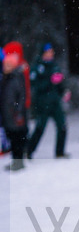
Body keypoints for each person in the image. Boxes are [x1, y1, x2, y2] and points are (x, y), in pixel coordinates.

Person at [27, 42, 72, 159]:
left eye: (51, 52)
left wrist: (64, 91)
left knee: (62, 126)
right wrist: (49, 81)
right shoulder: (37, 67)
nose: (50, 54)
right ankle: (28, 151)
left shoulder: (55, 66)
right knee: (40, 128)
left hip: (55, 102)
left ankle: (60, 152)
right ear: (43, 54)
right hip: (42, 104)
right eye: (48, 52)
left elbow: (59, 83)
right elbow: (35, 85)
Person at [2, 41, 31, 172]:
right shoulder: (5, 79)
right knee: (13, 138)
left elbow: (22, 95)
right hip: (8, 115)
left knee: (17, 138)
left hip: (15, 114)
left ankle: (18, 162)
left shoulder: (17, 77)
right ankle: (16, 160)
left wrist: (19, 112)